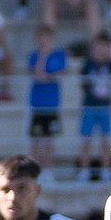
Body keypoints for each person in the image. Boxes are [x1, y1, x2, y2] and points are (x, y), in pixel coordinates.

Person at [27, 25, 66, 180]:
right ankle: (34, 170)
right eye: (41, 38)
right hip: (37, 104)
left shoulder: (59, 55)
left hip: (52, 104)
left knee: (49, 138)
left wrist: (47, 76)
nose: (44, 41)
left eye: (47, 38)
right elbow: (37, 74)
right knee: (36, 138)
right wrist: (43, 57)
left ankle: (48, 170)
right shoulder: (34, 56)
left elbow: (60, 73)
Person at [78, 30, 111, 182]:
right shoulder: (88, 64)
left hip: (105, 107)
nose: (101, 50)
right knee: (86, 140)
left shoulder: (110, 63)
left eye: (104, 46)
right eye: (98, 46)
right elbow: (82, 84)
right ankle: (84, 170)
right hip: (89, 106)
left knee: (105, 140)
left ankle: (106, 170)